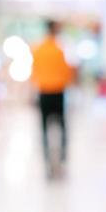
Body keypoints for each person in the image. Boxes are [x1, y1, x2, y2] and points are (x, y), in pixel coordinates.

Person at [30, 20, 75, 176]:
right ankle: (62, 158)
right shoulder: (59, 50)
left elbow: (33, 72)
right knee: (62, 126)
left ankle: (47, 160)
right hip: (58, 93)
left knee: (43, 127)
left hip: (43, 92)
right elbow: (67, 73)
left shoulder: (37, 50)